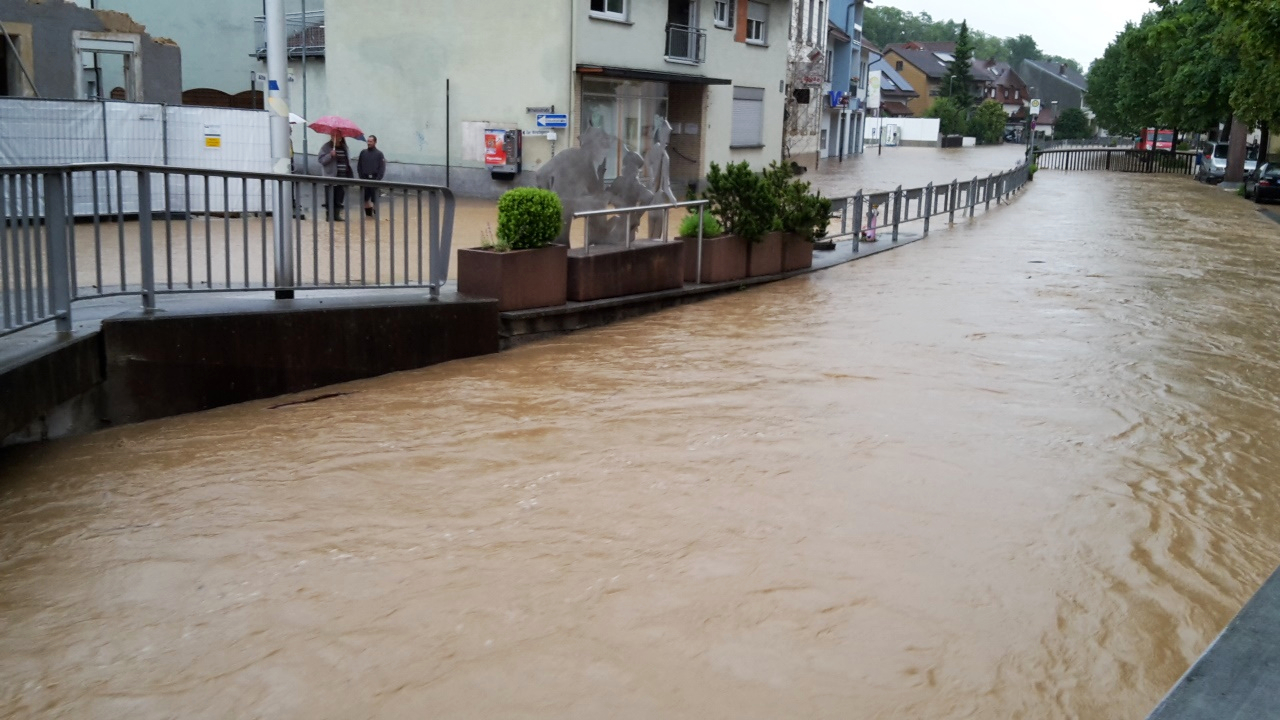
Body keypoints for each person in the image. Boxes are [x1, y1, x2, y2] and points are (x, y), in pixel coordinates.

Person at [318, 130, 353, 221]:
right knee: (330, 197)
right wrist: (330, 155)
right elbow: (321, 160)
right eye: (333, 135)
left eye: (337, 135)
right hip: (331, 176)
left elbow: (347, 160)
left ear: (341, 137)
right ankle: (329, 216)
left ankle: (337, 215)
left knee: (339, 197)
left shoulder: (344, 147)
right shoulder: (326, 147)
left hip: (342, 177)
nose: (335, 137)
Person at [357, 134, 387, 217]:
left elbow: (382, 168)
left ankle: (375, 216)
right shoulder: (363, 153)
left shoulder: (379, 154)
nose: (369, 143)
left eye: (371, 141)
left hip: (375, 179)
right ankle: (368, 216)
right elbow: (359, 166)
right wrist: (361, 177)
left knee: (375, 199)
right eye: (368, 141)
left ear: (375, 142)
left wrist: (378, 180)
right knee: (365, 199)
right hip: (364, 179)